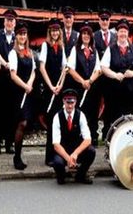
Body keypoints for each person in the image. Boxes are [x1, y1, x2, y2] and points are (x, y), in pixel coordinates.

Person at [67, 22, 103, 146]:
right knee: (81, 113)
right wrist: (83, 81)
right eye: (84, 34)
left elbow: (98, 69)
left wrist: (90, 81)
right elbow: (70, 69)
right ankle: (79, 140)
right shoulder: (75, 50)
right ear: (81, 36)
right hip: (80, 88)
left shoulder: (94, 50)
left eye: (88, 34)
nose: (86, 36)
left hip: (92, 88)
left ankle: (92, 138)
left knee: (93, 114)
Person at [101, 19, 133, 125]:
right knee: (112, 116)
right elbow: (103, 67)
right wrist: (115, 75)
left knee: (128, 117)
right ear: (117, 33)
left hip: (130, 90)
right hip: (114, 90)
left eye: (125, 31)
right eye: (121, 31)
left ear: (128, 33)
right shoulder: (110, 48)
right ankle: (110, 139)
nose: (123, 34)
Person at [51, 89, 96, 184]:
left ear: (75, 102)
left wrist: (75, 154)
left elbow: (88, 139)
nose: (70, 105)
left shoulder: (81, 115)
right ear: (63, 101)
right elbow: (56, 144)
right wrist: (68, 159)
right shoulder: (57, 117)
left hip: (76, 150)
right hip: (63, 150)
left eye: (72, 102)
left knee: (91, 151)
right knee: (57, 163)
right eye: (68, 102)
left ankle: (80, 175)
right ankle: (62, 175)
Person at [8, 21, 36, 170]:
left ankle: (18, 154)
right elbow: (13, 75)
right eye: (20, 34)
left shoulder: (30, 52)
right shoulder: (13, 53)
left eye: (24, 34)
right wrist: (25, 86)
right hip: (17, 92)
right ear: (16, 36)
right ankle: (16, 157)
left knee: (25, 123)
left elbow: (33, 71)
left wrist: (30, 83)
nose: (22, 36)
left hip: (27, 91)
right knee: (21, 123)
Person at [39, 18, 67, 165]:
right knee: (51, 123)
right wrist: (50, 86)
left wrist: (61, 85)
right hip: (50, 89)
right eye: (53, 31)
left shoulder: (61, 47)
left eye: (57, 30)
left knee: (58, 123)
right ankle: (48, 157)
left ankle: (57, 155)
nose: (55, 33)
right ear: (50, 32)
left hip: (58, 89)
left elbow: (64, 68)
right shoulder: (45, 46)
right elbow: (42, 67)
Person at [0, 9, 17, 155]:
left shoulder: (17, 35)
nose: (9, 22)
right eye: (7, 20)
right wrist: (5, 63)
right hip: (0, 77)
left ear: (15, 22)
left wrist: (11, 65)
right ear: (4, 21)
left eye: (12, 20)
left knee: (11, 111)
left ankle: (9, 143)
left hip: (13, 79)